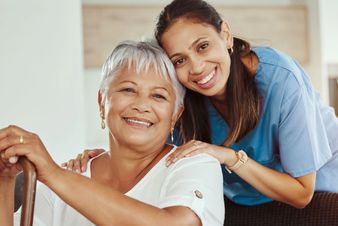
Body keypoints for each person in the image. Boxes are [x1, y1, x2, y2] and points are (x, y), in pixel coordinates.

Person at [0, 41, 235, 226]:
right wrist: (2, 179)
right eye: (128, 90)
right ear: (101, 102)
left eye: (158, 96)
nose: (142, 105)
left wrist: (54, 174)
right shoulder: (64, 180)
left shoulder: (194, 165)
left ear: (175, 115)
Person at [66, 0, 338, 208]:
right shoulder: (183, 97)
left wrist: (229, 157)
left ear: (226, 35)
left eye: (202, 46)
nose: (196, 68)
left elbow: (302, 192)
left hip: (321, 196)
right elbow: (151, 151)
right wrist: (102, 162)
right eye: (179, 60)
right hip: (242, 202)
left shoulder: (282, 80)